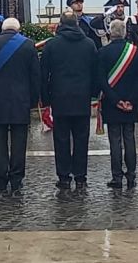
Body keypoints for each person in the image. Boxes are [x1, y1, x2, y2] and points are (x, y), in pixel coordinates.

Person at [0, 18, 39, 194]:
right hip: (21, 101)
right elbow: (35, 77)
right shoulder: (28, 45)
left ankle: (1, 179)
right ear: (18, 29)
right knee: (19, 143)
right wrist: (33, 101)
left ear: (3, 28)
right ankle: (17, 179)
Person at [41, 11, 98, 190]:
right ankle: (80, 176)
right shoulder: (89, 44)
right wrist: (93, 95)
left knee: (61, 139)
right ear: (76, 24)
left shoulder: (51, 45)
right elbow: (95, 72)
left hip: (59, 98)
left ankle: (64, 176)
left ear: (61, 23)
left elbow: (43, 74)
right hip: (82, 98)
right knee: (82, 139)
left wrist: (45, 99)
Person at [93, 19, 138, 188]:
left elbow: (101, 80)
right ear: (124, 32)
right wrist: (130, 100)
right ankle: (131, 176)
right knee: (129, 139)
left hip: (111, 103)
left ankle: (116, 177)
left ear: (110, 32)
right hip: (131, 103)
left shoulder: (103, 52)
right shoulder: (136, 52)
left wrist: (116, 100)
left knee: (115, 141)